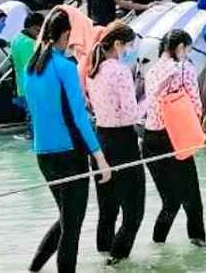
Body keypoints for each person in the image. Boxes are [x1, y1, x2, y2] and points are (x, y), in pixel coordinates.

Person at [24, 13, 112, 273]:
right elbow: (79, 117)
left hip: (43, 154)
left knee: (66, 219)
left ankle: (33, 269)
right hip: (69, 154)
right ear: (65, 36)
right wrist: (100, 158)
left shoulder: (32, 66)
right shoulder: (65, 67)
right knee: (72, 227)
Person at [86, 23, 147, 264]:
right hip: (123, 141)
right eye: (130, 45)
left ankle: (104, 257)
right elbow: (132, 113)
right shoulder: (120, 71)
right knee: (134, 211)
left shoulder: (93, 69)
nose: (131, 50)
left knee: (107, 210)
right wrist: (148, 98)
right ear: (118, 44)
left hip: (101, 140)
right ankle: (117, 260)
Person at [142, 31, 206, 247]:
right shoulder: (184, 68)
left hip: (151, 140)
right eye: (188, 49)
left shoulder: (152, 70)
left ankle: (157, 244)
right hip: (175, 137)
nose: (188, 54)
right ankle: (198, 243)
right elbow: (196, 105)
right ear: (180, 48)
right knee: (192, 200)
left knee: (170, 201)